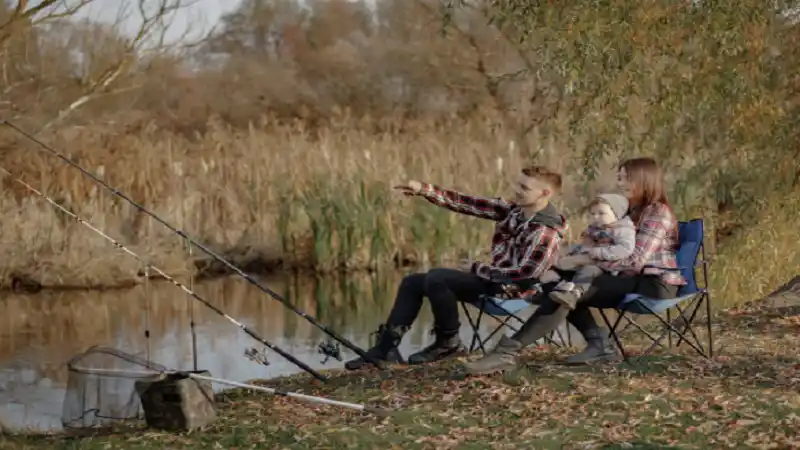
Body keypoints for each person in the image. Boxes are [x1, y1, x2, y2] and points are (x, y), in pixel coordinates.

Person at [464, 157, 685, 374]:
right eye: (619, 178)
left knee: (567, 290)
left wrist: (582, 259)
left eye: (625, 178)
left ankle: (505, 352)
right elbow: (604, 244)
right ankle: (598, 345)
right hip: (623, 277)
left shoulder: (657, 212)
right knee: (556, 285)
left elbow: (634, 260)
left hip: (654, 284)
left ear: (643, 179)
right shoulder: (629, 211)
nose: (620, 183)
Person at [344, 165, 569, 370]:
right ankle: (385, 350)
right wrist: (423, 189)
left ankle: (448, 343)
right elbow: (466, 203)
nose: (517, 190)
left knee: (438, 278)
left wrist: (478, 269)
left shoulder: (545, 231)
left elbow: (526, 277)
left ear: (544, 194)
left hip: (513, 293)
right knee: (412, 282)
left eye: (524, 187)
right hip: (494, 281)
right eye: (518, 184)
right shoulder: (513, 211)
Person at [543, 193, 635, 310]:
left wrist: (597, 252)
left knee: (588, 271)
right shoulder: (595, 229)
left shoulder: (622, 230)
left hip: (606, 266)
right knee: (559, 265)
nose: (596, 217)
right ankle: (542, 287)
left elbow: (625, 249)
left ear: (617, 214)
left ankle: (574, 293)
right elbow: (584, 246)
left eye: (601, 213)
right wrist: (574, 252)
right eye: (593, 214)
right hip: (588, 259)